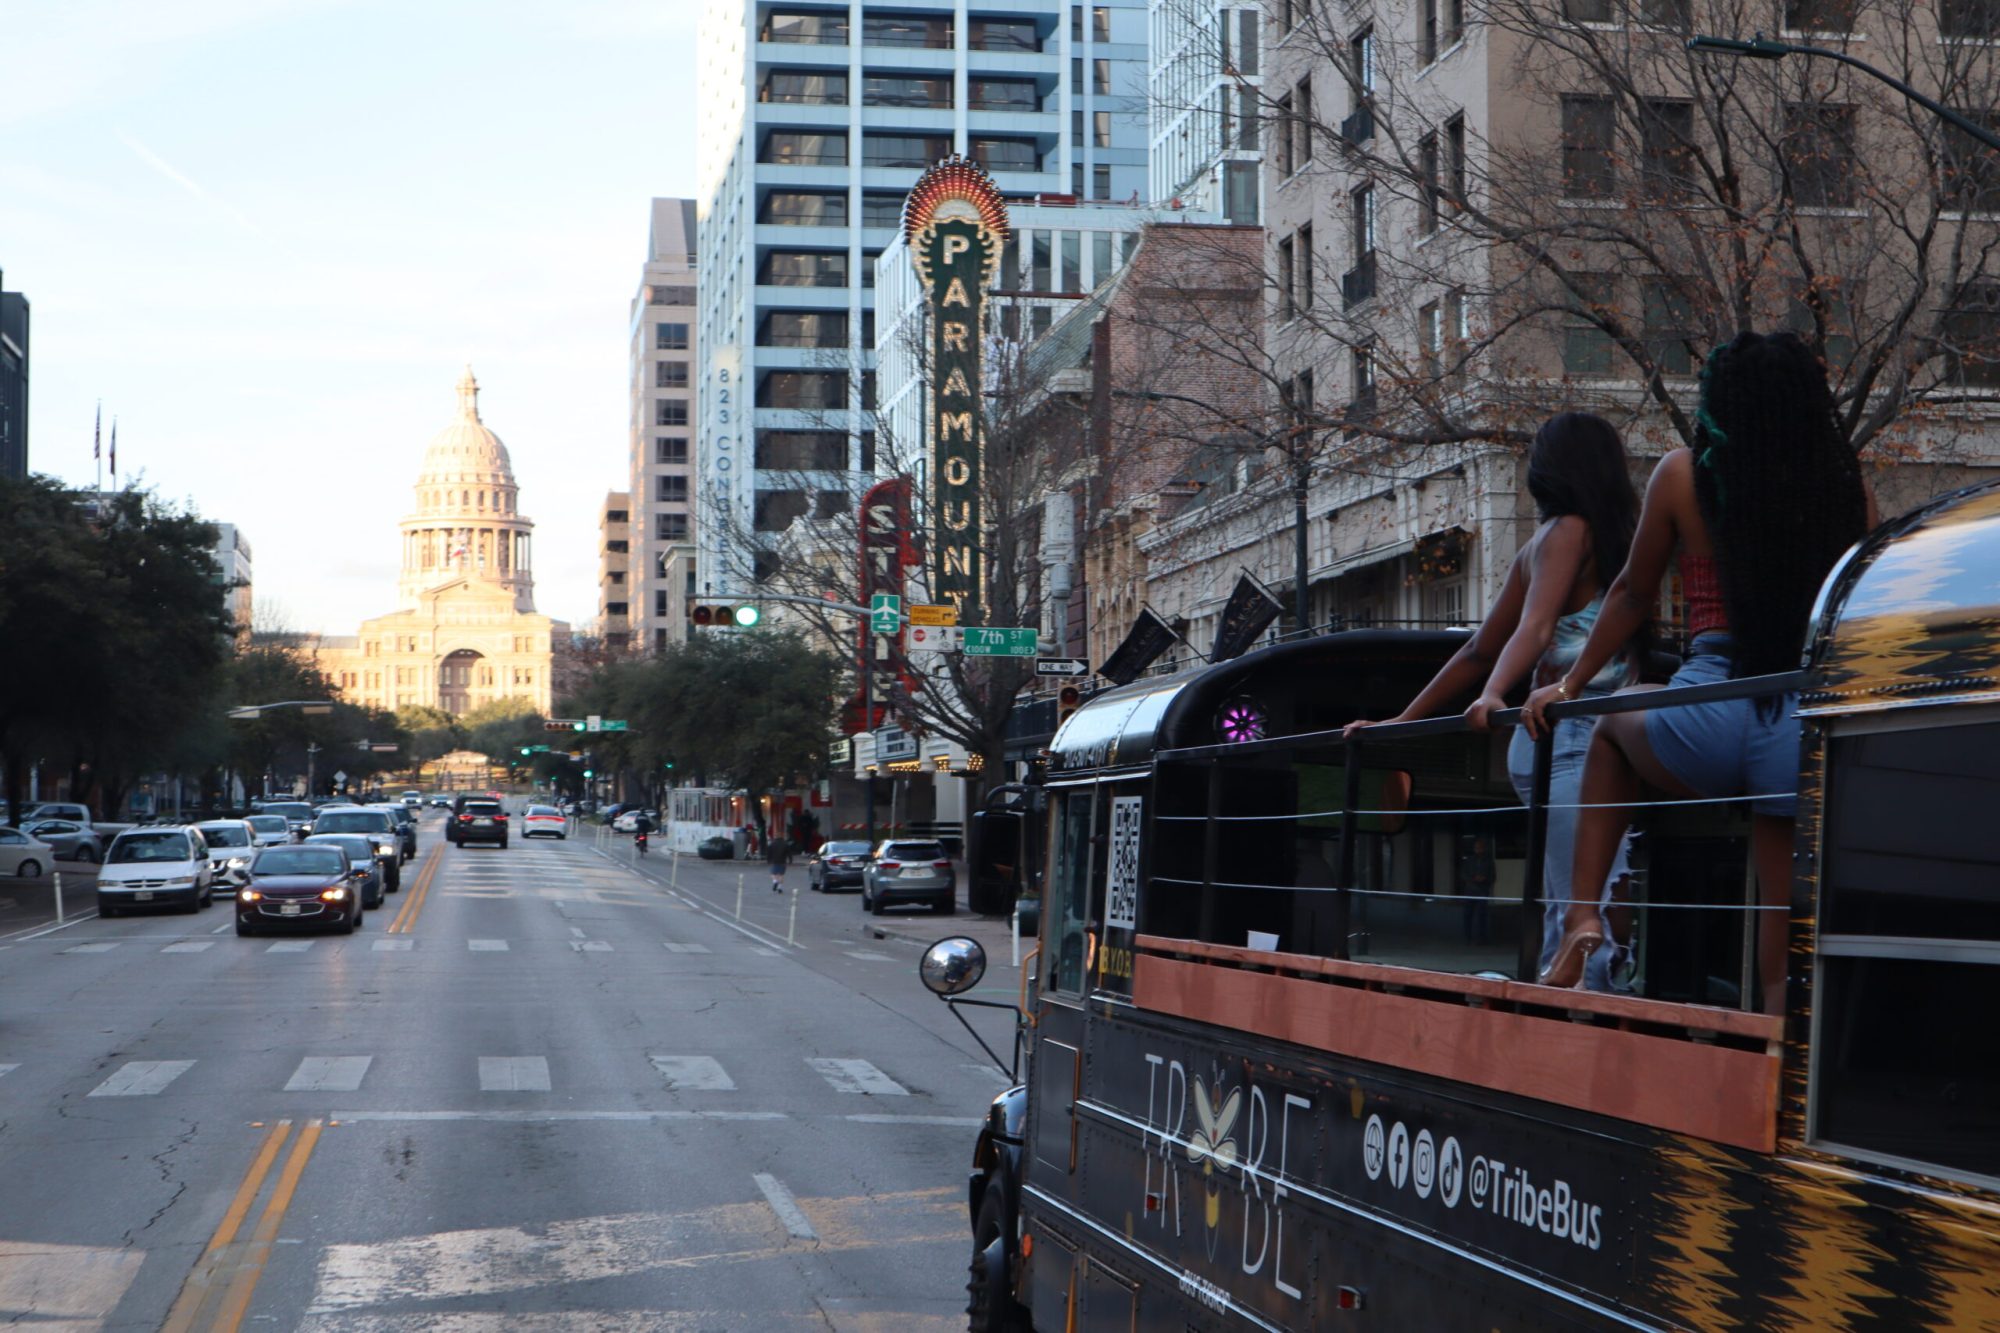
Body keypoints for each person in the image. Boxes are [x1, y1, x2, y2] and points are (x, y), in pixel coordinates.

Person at [1523, 332, 1872, 1009]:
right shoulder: (1847, 490)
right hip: (1797, 719)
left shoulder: (1684, 474)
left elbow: (1630, 592)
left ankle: (1583, 916)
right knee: (1782, 923)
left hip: (1704, 715)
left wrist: (1568, 684)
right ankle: (1777, 1061)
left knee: (1609, 725)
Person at [1348, 412, 1642, 989]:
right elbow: (1524, 634)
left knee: (1578, 900)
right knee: (1594, 900)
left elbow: (1485, 646)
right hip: (1577, 734)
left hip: (1554, 740)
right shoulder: (1599, 537)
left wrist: (1412, 716)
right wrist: (1482, 696)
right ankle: (1587, 1029)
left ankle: (1573, 1010)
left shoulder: (1550, 541)